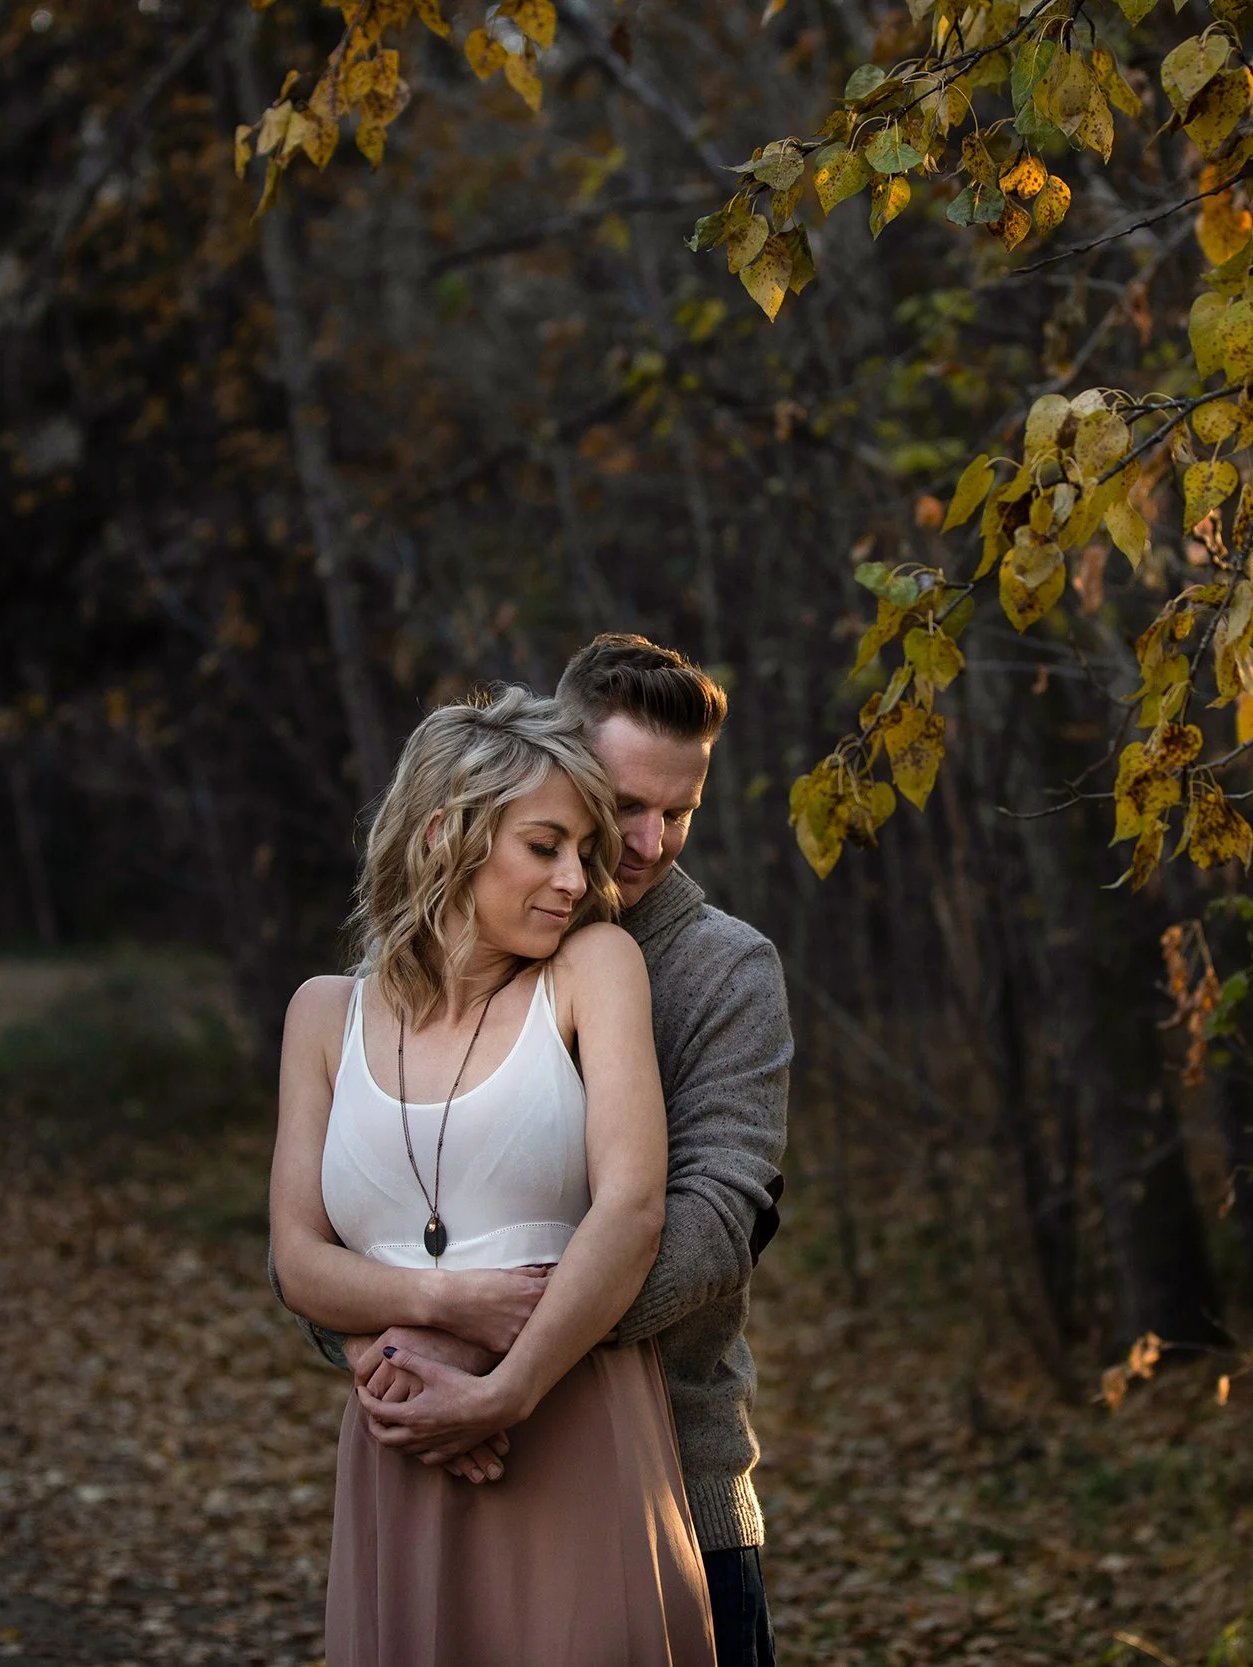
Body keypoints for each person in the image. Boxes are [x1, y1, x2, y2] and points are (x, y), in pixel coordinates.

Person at [280, 636, 792, 1667]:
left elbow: (707, 1228)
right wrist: (404, 1345)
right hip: (421, 1437)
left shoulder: (718, 968)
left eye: (678, 810)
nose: (643, 842)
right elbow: (326, 1244)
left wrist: (487, 1364)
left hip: (666, 1465)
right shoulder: (379, 993)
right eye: (620, 804)